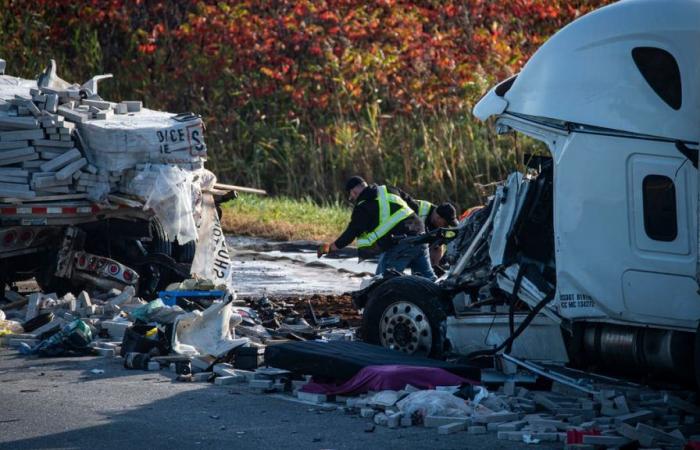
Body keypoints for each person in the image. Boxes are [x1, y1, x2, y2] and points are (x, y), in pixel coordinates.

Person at [317, 176, 436, 281]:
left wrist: (331, 247)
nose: (353, 198)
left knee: (382, 283)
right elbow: (414, 206)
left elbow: (351, 232)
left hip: (400, 243)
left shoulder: (363, 206)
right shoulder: (389, 189)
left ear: (354, 191)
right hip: (420, 236)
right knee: (428, 280)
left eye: (351, 195)